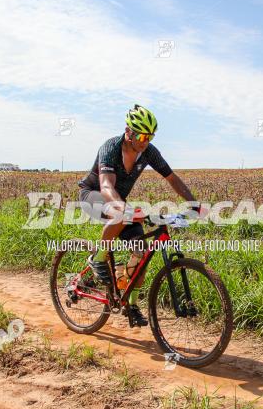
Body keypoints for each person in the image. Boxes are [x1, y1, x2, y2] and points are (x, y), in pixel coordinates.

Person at [77, 104, 199, 327]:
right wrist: (124, 209)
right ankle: (98, 258)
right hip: (93, 195)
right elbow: (105, 186)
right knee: (120, 213)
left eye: (150, 136)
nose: (146, 141)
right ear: (129, 132)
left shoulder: (149, 151)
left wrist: (193, 203)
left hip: (118, 201)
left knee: (140, 253)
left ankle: (131, 305)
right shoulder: (111, 148)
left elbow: (171, 177)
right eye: (142, 135)